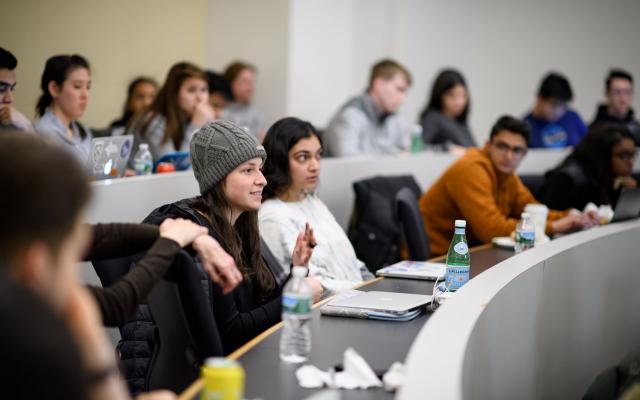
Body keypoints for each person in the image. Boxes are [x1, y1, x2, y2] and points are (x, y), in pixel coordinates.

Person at [0, 132, 184, 400]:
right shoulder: (33, 347)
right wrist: (97, 355)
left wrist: (166, 235)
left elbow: (99, 236)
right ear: (36, 265)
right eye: (73, 250)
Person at [142, 120, 323, 354]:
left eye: (260, 168)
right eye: (248, 170)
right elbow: (231, 334)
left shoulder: (240, 225)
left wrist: (297, 272)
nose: (262, 179)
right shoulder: (201, 241)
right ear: (218, 178)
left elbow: (261, 308)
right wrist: (295, 298)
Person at [420, 115, 597, 256]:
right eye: (502, 147)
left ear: (525, 154)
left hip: (468, 254)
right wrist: (555, 227)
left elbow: (533, 211)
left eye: (516, 150)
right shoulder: (472, 168)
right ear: (488, 146)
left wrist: (573, 217)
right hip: (438, 259)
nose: (509, 156)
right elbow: (490, 229)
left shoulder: (506, 175)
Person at [259, 117, 374, 294]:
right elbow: (313, 286)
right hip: (329, 310)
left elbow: (350, 261)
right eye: (303, 157)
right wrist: (366, 291)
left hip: (356, 297)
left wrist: (376, 286)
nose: (315, 166)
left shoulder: (311, 200)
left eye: (318, 155)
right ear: (280, 161)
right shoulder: (272, 218)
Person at [324, 59, 412, 157]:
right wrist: (393, 157)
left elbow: (407, 152)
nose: (403, 99)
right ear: (378, 84)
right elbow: (348, 164)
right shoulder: (350, 116)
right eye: (399, 89)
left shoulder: (394, 120)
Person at [128, 62, 215, 161]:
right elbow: (174, 165)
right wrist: (196, 126)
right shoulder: (152, 120)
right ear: (174, 94)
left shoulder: (190, 117)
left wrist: (210, 126)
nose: (200, 98)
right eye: (191, 90)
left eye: (204, 90)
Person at [541, 124, 637, 211]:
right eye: (624, 155)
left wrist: (628, 195)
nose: (631, 162)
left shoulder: (615, 178)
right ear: (603, 155)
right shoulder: (569, 179)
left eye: (633, 155)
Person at [33, 54, 93, 163]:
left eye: (88, 87)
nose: (85, 95)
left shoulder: (83, 130)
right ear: (54, 89)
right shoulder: (42, 132)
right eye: (77, 86)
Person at [524, 72, 587, 148]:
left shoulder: (573, 118)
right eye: (554, 105)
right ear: (540, 98)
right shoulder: (525, 127)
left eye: (564, 106)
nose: (559, 111)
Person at [419, 68, 476, 151]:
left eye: (463, 96)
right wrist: (447, 148)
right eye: (452, 96)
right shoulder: (432, 118)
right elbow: (419, 148)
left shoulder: (461, 122)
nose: (459, 102)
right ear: (440, 95)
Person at [590, 69, 640, 143]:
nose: (623, 99)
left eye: (627, 92)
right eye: (617, 92)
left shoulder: (636, 129)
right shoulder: (594, 131)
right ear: (607, 93)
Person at [222, 61, 265, 139]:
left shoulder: (257, 114)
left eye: (251, 81)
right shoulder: (219, 112)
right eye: (244, 81)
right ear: (230, 83)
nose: (250, 87)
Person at [0, 47, 34, 132]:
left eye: (12, 88)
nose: (9, 99)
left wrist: (26, 125)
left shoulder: (9, 125)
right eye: (1, 88)